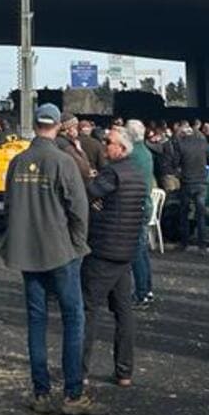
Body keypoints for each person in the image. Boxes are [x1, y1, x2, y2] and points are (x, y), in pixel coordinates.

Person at [0, 102, 101, 415]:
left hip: (27, 251)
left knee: (37, 321)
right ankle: (73, 394)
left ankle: (41, 392)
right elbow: (78, 209)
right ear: (57, 126)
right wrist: (78, 245)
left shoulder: (17, 162)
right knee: (73, 319)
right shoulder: (63, 161)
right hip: (61, 251)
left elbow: (10, 204)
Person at [81, 126, 147, 389]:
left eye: (108, 142)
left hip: (104, 249)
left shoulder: (112, 173)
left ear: (121, 148)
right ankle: (124, 371)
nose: (104, 145)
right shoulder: (138, 174)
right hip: (127, 250)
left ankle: (80, 370)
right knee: (123, 311)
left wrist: (96, 207)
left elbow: (90, 193)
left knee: (88, 309)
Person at [124, 120, 157, 308]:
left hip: (135, 206)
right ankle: (147, 289)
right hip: (145, 204)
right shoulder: (145, 152)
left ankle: (141, 292)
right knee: (142, 251)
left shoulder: (132, 154)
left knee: (136, 252)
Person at [173, 122, 209, 250]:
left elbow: (175, 163)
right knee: (200, 213)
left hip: (187, 182)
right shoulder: (203, 143)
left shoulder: (180, 144)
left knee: (184, 212)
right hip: (201, 182)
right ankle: (202, 244)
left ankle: (184, 243)